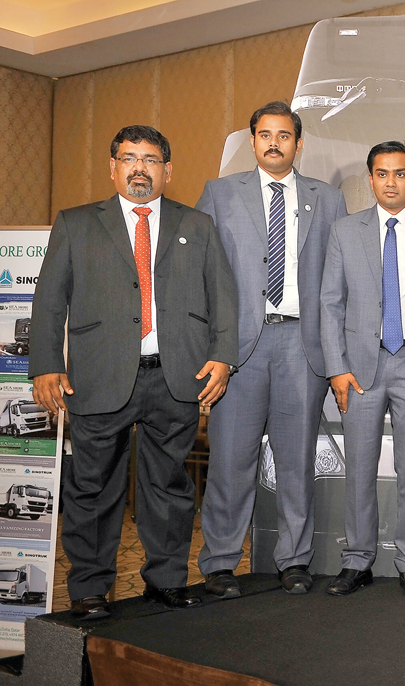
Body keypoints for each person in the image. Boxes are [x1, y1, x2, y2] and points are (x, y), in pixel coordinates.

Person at [30, 125, 238, 619]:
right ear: (112, 167)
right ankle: (89, 589)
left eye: (150, 159)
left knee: (169, 487)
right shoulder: (76, 224)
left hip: (176, 376)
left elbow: (224, 299)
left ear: (168, 170)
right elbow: (48, 302)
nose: (139, 168)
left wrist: (224, 355)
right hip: (97, 376)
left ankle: (165, 581)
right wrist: (44, 366)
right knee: (93, 487)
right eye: (128, 158)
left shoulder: (198, 225)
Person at [195, 101, 347, 597]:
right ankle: (220, 564)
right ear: (253, 140)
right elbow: (202, 275)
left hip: (301, 346)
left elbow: (336, 279)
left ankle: (294, 560)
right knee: (230, 461)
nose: (274, 143)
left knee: (296, 460)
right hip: (238, 349)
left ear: (298, 144)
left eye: (284, 135)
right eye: (265, 134)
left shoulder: (327, 199)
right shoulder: (219, 194)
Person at [320, 141, 405, 599]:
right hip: (360, 365)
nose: (391, 182)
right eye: (382, 174)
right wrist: (336, 368)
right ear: (370, 179)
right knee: (358, 466)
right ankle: (357, 560)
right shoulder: (344, 231)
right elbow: (330, 302)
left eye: (400, 174)